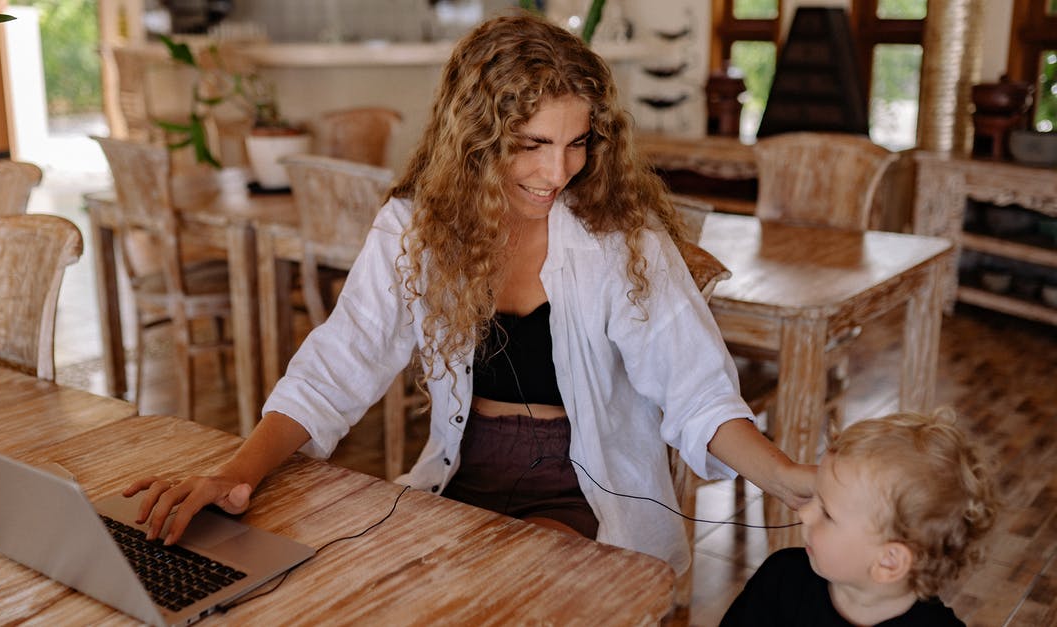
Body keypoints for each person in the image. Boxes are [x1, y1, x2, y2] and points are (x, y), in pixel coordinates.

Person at [125, 11, 813, 575]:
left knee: (503, 589)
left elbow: (698, 392)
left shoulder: (620, 238)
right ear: (476, 139)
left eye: (577, 143)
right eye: (531, 144)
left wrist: (784, 476)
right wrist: (235, 473)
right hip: (461, 474)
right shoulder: (418, 227)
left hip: (584, 487)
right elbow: (340, 362)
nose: (557, 171)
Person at [721, 410, 998, 626]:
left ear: (889, 561)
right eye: (814, 497)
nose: (804, 513)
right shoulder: (781, 581)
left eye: (827, 514)